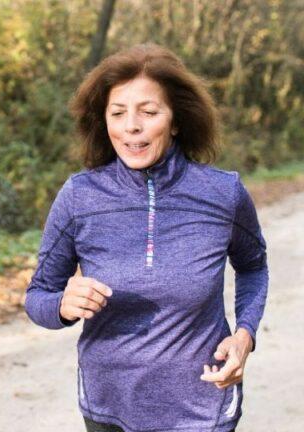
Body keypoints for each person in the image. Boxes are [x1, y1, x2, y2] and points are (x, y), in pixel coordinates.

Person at [25, 44, 268, 432]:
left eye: (149, 112)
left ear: (175, 121)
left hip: (203, 403)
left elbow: (253, 267)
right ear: (103, 121)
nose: (131, 126)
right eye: (117, 113)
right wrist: (62, 306)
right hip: (110, 406)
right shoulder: (79, 196)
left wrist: (245, 335)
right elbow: (38, 296)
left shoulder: (223, 193)